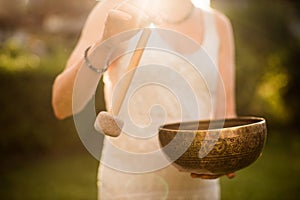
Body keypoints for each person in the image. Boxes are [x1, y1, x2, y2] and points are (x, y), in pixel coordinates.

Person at [52, 0, 236, 199]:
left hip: (198, 188)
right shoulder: (115, 10)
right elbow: (62, 104)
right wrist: (105, 43)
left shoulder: (218, 24)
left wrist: (224, 157)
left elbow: (225, 116)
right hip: (129, 186)